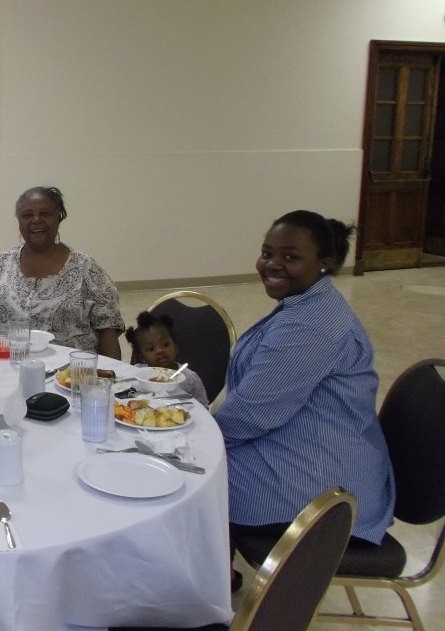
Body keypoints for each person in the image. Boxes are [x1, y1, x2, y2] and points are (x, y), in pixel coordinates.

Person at [215, 210, 395, 565]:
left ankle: (196, 591)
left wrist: (188, 442)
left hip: (324, 488)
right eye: (267, 253)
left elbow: (251, 413)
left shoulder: (310, 327)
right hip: (317, 446)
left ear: (324, 263)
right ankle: (216, 573)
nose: (272, 265)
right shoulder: (308, 304)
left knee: (190, 482)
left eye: (290, 257)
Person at [0, 186, 123, 358]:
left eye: (45, 214)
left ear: (58, 218)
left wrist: (108, 376)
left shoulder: (86, 270)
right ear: (19, 221)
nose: (36, 220)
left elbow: (107, 329)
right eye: (27, 215)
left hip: (67, 377)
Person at [124, 310, 209, 406]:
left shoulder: (190, 379)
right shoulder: (138, 373)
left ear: (176, 347)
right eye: (151, 349)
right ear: (142, 357)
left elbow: (203, 407)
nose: (160, 350)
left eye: (165, 344)